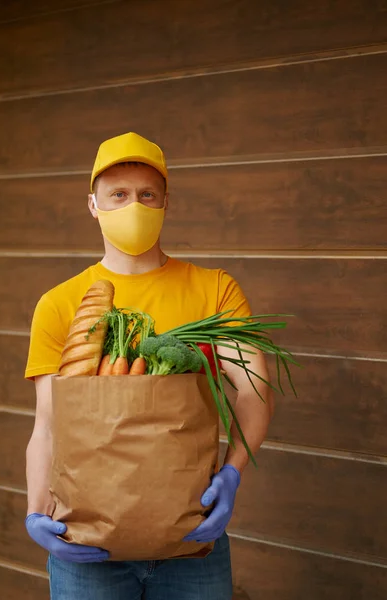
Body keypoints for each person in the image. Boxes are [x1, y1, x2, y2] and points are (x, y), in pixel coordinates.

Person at [24, 132, 274, 600]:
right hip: (88, 548)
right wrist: (37, 510)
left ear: (165, 203)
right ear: (93, 205)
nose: (133, 206)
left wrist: (232, 471)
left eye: (146, 195)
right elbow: (47, 423)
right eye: (117, 195)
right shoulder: (59, 304)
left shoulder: (212, 289)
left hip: (191, 540)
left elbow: (254, 388)